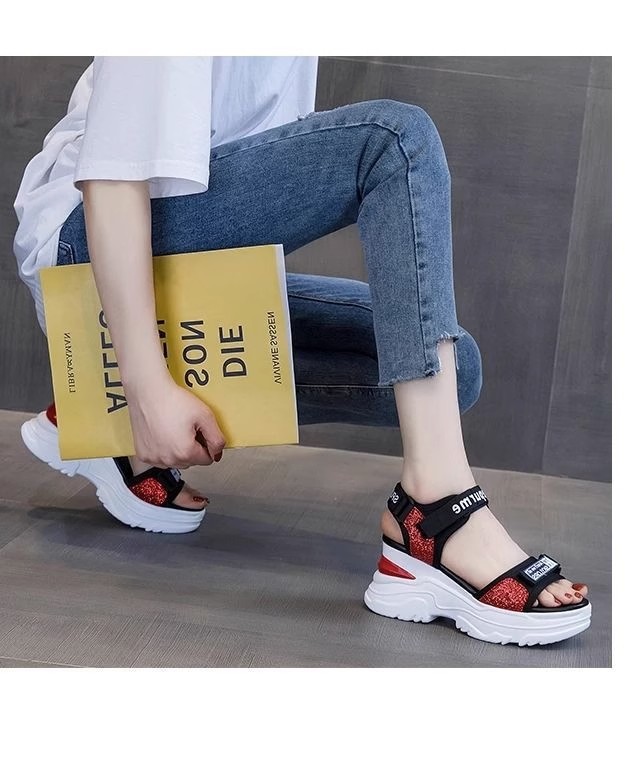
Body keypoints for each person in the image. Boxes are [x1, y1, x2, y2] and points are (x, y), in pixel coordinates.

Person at [13, 56, 591, 646]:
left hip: (178, 267)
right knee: (394, 141)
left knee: (450, 369)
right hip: (86, 250)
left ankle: (97, 410)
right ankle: (436, 514)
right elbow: (112, 180)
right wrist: (147, 386)